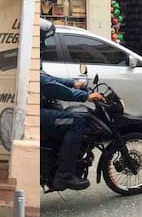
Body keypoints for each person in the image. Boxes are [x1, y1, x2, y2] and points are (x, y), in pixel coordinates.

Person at [39, 19, 104, 191]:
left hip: (41, 108)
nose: (46, 43)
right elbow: (49, 86)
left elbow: (48, 78)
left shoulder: (33, 57)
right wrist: (86, 96)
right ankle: (65, 175)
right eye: (44, 39)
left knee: (65, 112)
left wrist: (72, 83)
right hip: (37, 113)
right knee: (76, 121)